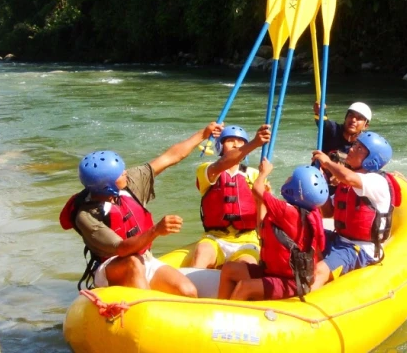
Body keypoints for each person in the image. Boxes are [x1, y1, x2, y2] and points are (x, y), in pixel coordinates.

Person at [58, 123, 268, 296]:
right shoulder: (86, 215)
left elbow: (170, 157)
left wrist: (201, 135)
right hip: (112, 265)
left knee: (187, 291)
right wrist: (156, 231)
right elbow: (122, 249)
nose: (126, 174)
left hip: (145, 259)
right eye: (120, 174)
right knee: (132, 263)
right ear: (108, 186)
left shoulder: (130, 182)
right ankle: (144, 307)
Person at [217, 160, 327, 301]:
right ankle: (220, 307)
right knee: (229, 269)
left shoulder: (286, 211)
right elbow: (261, 227)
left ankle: (226, 319)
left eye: (291, 178)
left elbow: (257, 188)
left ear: (297, 189)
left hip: (290, 281)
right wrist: (262, 200)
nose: (288, 179)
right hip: (271, 272)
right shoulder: (306, 211)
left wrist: (263, 173)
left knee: (245, 286)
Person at [309, 131, 401, 291]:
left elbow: (349, 177)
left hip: (362, 249)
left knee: (320, 270)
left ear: (372, 160)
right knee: (303, 230)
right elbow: (329, 212)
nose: (352, 149)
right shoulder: (347, 183)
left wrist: (328, 163)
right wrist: (321, 184)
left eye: (359, 148)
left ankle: (302, 306)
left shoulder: (376, 181)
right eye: (354, 145)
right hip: (340, 239)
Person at [187, 124, 271, 269]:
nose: (236, 144)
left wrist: (262, 193)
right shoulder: (207, 170)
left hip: (247, 240)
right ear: (220, 146)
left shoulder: (255, 175)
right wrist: (254, 143)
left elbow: (264, 216)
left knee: (247, 266)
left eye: (240, 141)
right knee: (201, 256)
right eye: (230, 140)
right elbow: (221, 164)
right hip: (214, 238)